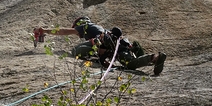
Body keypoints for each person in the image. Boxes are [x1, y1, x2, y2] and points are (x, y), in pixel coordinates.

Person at [37, 16, 166, 76]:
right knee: (130, 64)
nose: (77, 33)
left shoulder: (87, 27)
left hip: (105, 44)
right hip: (121, 46)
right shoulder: (101, 28)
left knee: (75, 51)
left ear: (81, 24)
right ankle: (155, 58)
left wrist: (46, 31)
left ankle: (154, 58)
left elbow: (64, 31)